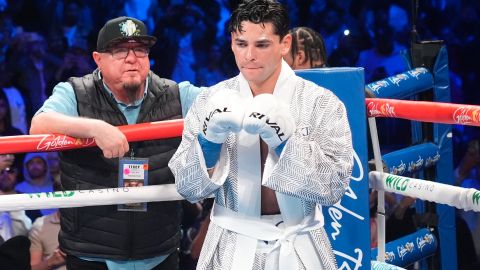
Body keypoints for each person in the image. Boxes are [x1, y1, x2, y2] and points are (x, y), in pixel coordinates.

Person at [169, 1, 354, 269]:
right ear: (232, 42)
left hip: (300, 244)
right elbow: (187, 188)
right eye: (242, 44)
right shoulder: (211, 100)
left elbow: (333, 189)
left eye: (262, 45)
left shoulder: (322, 103)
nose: (249, 55)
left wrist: (287, 143)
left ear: (285, 43)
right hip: (229, 248)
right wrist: (208, 144)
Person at [30, 16, 187, 270]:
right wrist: (95, 128)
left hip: (159, 251)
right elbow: (39, 125)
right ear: (98, 59)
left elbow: (219, 103)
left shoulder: (176, 94)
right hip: (92, 254)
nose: (132, 58)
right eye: (120, 50)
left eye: (140, 49)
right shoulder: (75, 93)